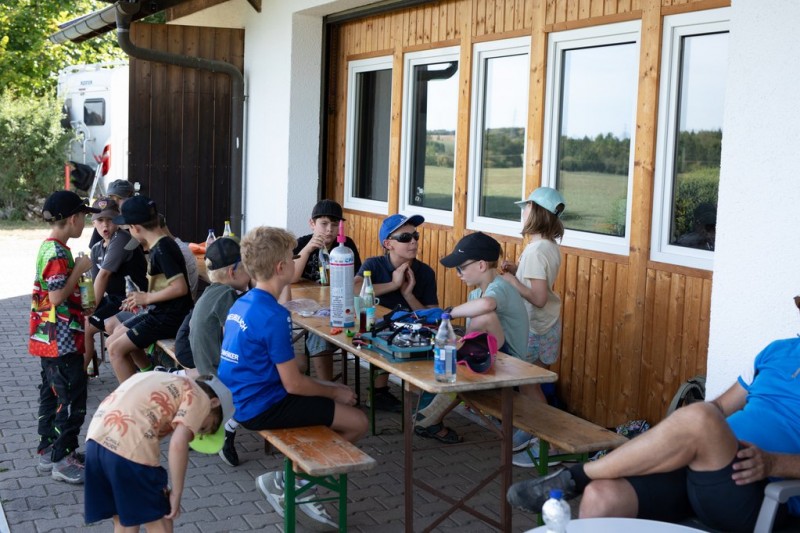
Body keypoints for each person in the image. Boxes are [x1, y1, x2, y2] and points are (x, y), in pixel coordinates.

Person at [507, 297, 800, 533]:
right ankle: (582, 479)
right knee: (603, 497)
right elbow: (721, 408)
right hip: (703, 466)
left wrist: (774, 463)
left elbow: (707, 417)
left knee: (700, 418)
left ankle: (575, 476)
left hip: (756, 487)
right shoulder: (776, 352)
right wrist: (674, 437)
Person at [218, 226, 367, 529]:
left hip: (241, 400)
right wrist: (334, 392)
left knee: (330, 392)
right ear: (280, 267)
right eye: (292, 256)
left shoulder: (244, 302)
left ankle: (292, 478)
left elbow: (281, 372)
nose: (296, 260)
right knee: (358, 422)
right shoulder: (273, 315)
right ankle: (295, 484)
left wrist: (327, 385)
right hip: (262, 407)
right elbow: (294, 384)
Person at [413, 231, 528, 444]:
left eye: (461, 267)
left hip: (513, 366)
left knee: (482, 319)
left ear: (482, 265)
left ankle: (431, 415)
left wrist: (448, 313)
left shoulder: (500, 287)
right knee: (454, 358)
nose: (458, 273)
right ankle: (431, 415)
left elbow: (487, 306)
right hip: (493, 359)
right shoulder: (475, 295)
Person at [84, 372, 235, 530]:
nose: (196, 432)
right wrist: (176, 493)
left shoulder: (167, 380)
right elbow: (178, 444)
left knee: (125, 520)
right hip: (129, 450)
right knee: (161, 518)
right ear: (214, 403)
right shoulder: (200, 397)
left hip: (95, 442)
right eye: (203, 428)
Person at [29, 190, 100, 484]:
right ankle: (62, 459)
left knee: (51, 394)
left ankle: (49, 451)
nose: (85, 222)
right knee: (71, 398)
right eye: (83, 216)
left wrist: (81, 298)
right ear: (73, 219)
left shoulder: (49, 248)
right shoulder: (58, 253)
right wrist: (80, 269)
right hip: (62, 340)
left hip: (48, 339)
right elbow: (57, 296)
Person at [499, 187, 566, 465]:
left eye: (525, 208)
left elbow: (538, 298)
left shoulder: (537, 251)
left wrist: (511, 281)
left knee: (528, 385)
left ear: (536, 213)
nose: (522, 212)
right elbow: (540, 283)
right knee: (533, 384)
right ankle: (535, 434)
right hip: (548, 324)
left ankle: (548, 443)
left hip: (536, 327)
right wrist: (518, 271)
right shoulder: (547, 246)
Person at [355, 213, 439, 413]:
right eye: (405, 238)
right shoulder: (374, 264)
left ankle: (423, 409)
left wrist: (408, 295)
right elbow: (354, 289)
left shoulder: (425, 272)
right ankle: (379, 393)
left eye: (415, 236)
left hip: (412, 332)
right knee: (382, 334)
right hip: (375, 328)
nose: (413, 242)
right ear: (388, 244)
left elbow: (433, 316)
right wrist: (393, 284)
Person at [105, 196, 194, 383]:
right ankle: (148, 375)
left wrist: (146, 298)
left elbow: (180, 288)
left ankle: (135, 396)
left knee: (115, 350)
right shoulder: (159, 246)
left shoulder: (163, 249)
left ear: (136, 228)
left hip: (170, 318)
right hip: (159, 313)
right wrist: (139, 298)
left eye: (128, 228)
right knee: (113, 338)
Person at [187, 237, 250, 467]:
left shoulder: (211, 292)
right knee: (275, 375)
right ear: (233, 271)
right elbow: (237, 340)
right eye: (247, 268)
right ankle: (228, 430)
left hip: (204, 366)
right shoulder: (227, 296)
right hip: (217, 374)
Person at [292, 199, 362, 381]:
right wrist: (307, 250)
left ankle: (327, 384)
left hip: (336, 302)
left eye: (335, 224)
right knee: (319, 332)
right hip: (308, 305)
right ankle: (326, 383)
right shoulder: (302, 243)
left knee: (328, 329)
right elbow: (292, 277)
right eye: (324, 224)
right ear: (312, 224)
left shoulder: (346, 246)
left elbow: (356, 279)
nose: (329, 229)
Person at [84, 197, 148, 375]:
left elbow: (104, 276)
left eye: (110, 220)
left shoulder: (122, 239)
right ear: (93, 223)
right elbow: (95, 283)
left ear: (118, 221)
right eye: (100, 220)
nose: (105, 225)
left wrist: (89, 311)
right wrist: (85, 308)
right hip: (115, 299)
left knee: (87, 325)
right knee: (81, 323)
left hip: (133, 301)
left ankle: (78, 378)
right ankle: (84, 371)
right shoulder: (97, 248)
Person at [159, 214, 199, 301]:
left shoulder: (174, 251)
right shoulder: (177, 246)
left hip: (181, 304)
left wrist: (146, 297)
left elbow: (180, 291)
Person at [88, 179, 135, 249]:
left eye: (120, 198)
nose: (115, 202)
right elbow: (94, 249)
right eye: (111, 198)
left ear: (131, 199)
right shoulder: (104, 221)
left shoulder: (137, 223)